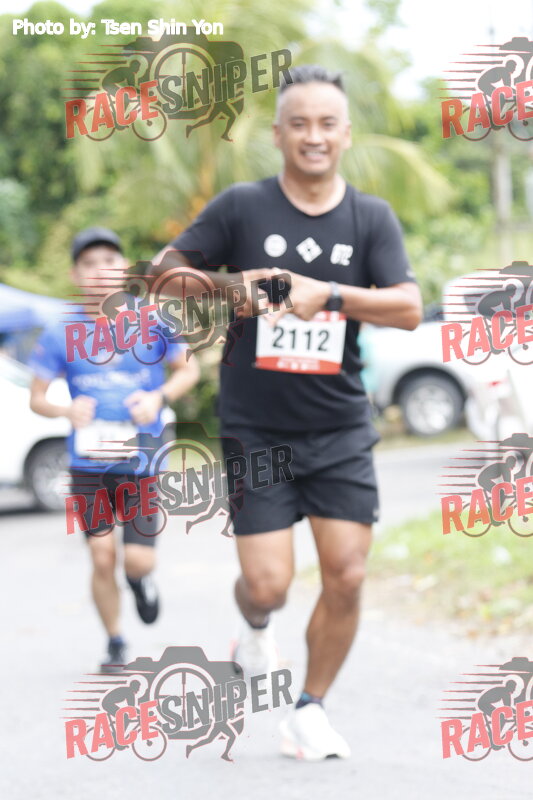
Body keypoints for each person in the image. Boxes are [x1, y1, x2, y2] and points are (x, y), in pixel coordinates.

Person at [150, 65, 422, 760]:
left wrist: (326, 294)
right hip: (257, 429)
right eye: (298, 123)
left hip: (338, 426)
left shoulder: (370, 218)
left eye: (326, 123)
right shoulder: (242, 207)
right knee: (268, 584)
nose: (313, 136)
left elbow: (408, 308)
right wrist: (236, 288)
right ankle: (254, 627)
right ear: (277, 135)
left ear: (346, 134)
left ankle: (310, 710)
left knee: (348, 574)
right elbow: (161, 275)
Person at [29, 227, 200, 672]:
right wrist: (66, 411)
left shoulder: (153, 319)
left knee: (137, 560)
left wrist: (158, 398)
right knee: (101, 555)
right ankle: (115, 641)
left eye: (109, 260)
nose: (100, 270)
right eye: (89, 263)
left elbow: (188, 370)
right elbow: (37, 399)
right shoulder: (60, 331)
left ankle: (140, 581)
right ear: (75, 274)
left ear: (124, 268)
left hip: (140, 457)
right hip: (89, 462)